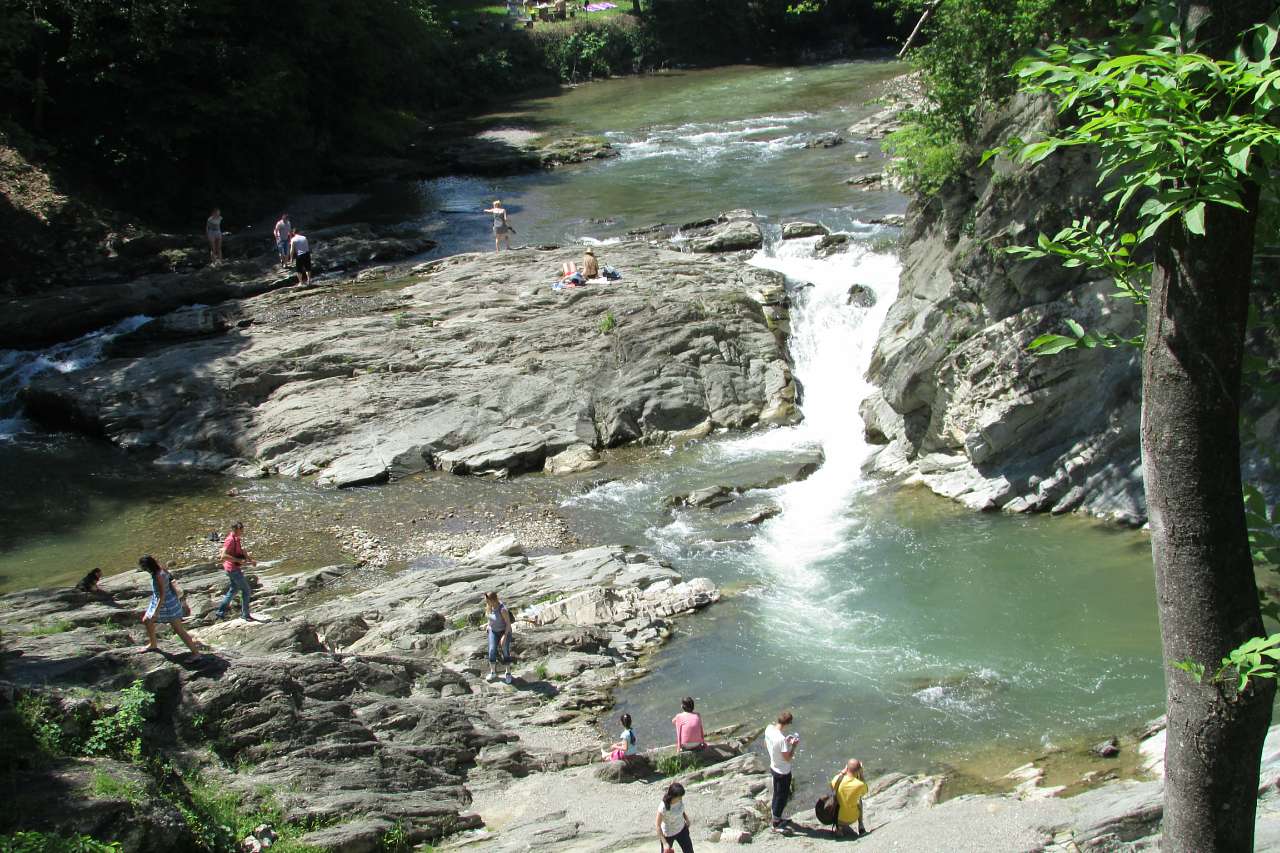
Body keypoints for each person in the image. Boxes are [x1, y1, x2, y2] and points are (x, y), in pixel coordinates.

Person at [138, 555, 203, 654]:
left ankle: (196, 653)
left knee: (179, 630)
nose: (143, 569)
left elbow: (162, 595)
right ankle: (153, 644)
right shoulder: (160, 569)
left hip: (167, 605)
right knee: (147, 620)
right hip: (165, 601)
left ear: (148, 566)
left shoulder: (158, 575)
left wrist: (156, 611)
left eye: (143, 567)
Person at [764, 710, 800, 832]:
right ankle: (776, 824)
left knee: (777, 794)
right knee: (782, 797)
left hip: (773, 767)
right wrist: (794, 745)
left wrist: (785, 741)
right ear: (788, 723)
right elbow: (788, 758)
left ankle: (776, 817)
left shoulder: (769, 729)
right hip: (783, 771)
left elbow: (766, 743)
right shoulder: (781, 739)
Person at [215, 521, 256, 621]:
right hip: (232, 569)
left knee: (233, 590)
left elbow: (242, 551)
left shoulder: (236, 539)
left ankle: (220, 613)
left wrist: (250, 560)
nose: (242, 531)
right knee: (246, 590)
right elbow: (223, 556)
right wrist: (238, 560)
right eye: (241, 529)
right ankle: (245, 614)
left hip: (233, 568)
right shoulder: (230, 540)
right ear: (237, 529)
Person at [830, 758, 869, 837]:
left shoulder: (836, 778)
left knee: (837, 796)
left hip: (837, 818)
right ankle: (861, 826)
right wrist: (861, 775)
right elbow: (865, 790)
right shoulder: (860, 785)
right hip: (852, 818)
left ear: (846, 768)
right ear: (858, 770)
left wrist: (842, 773)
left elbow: (832, 788)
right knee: (859, 799)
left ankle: (838, 828)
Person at [655, 781, 694, 853]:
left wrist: (686, 819)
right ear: (673, 796)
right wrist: (665, 843)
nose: (681, 798)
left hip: (682, 830)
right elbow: (657, 826)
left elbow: (681, 810)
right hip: (668, 834)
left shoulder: (679, 800)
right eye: (679, 797)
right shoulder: (663, 807)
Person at [484, 591, 513, 683]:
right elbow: (490, 618)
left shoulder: (502, 609)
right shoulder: (489, 607)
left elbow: (508, 624)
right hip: (493, 631)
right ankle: (493, 672)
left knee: (505, 650)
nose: (486, 603)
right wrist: (488, 625)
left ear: (493, 600)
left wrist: (504, 636)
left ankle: (508, 672)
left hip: (504, 631)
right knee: (492, 650)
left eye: (488, 601)